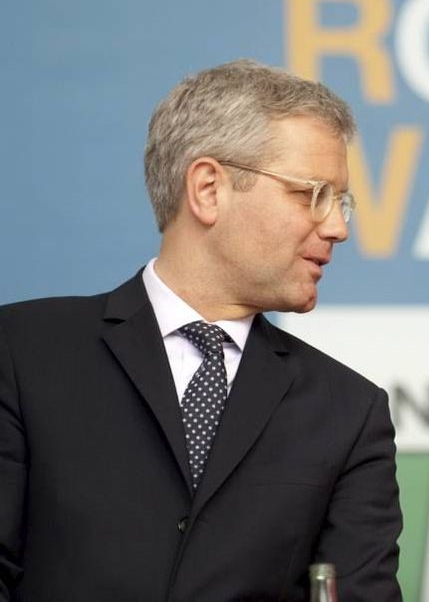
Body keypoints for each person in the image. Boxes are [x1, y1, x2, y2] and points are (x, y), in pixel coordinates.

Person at [0, 60, 402, 601]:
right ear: (209, 188)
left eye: (342, 201)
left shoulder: (349, 412)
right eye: (313, 195)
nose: (338, 227)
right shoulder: (22, 353)